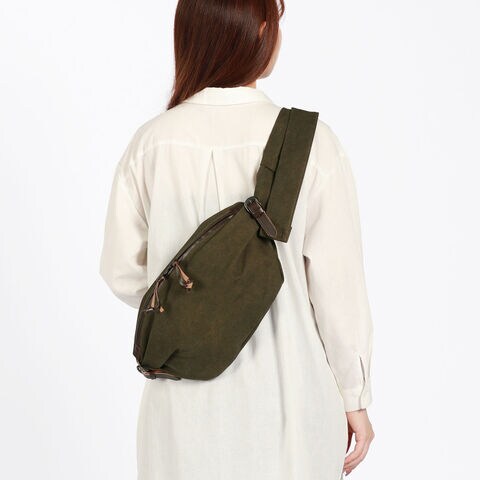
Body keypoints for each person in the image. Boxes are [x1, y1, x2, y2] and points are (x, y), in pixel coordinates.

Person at [99, 1, 375, 479]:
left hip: (180, 408)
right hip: (290, 405)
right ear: (262, 31)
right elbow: (338, 291)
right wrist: (355, 395)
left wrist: (191, 300)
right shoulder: (310, 143)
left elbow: (121, 271)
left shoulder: (152, 143)